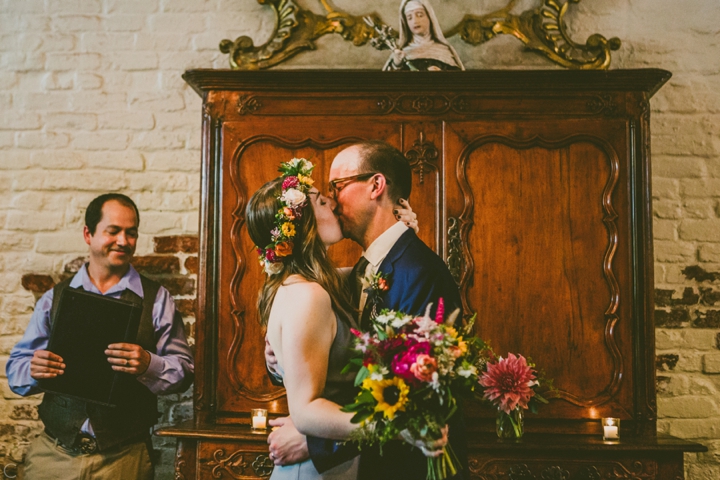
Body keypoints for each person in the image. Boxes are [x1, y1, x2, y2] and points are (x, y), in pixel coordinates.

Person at [266, 142, 467, 480]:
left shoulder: (419, 272)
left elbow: (419, 397)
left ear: (376, 186)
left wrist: (316, 441)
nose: (331, 200)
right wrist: (280, 359)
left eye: (338, 187)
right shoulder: (354, 273)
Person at [6, 193, 194, 480]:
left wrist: (149, 364)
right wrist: (33, 370)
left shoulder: (157, 300)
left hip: (124, 459)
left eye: (131, 233)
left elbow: (185, 371)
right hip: (53, 457)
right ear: (88, 234)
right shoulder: (53, 299)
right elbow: (16, 374)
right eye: (113, 231)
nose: (123, 241)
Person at [384, 0, 465, 71]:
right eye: (409, 18)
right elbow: (389, 83)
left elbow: (457, 80)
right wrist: (396, 65)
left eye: (420, 15)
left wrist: (441, 74)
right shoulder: (401, 53)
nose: (415, 21)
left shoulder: (444, 52)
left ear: (430, 17)